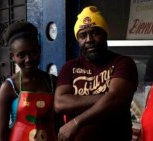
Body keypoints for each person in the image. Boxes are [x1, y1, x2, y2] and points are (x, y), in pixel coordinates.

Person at [54, 6, 138, 141]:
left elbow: (117, 99)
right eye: (83, 35)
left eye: (95, 33)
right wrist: (107, 97)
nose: (89, 39)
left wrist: (77, 122)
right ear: (78, 40)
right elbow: (60, 104)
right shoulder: (70, 67)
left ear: (105, 34)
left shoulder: (123, 63)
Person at [0, 21, 60, 141]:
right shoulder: (9, 87)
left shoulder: (52, 82)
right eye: (21, 55)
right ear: (12, 57)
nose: (28, 59)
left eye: (33, 53)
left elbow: (59, 124)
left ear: (39, 50)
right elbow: (1, 134)